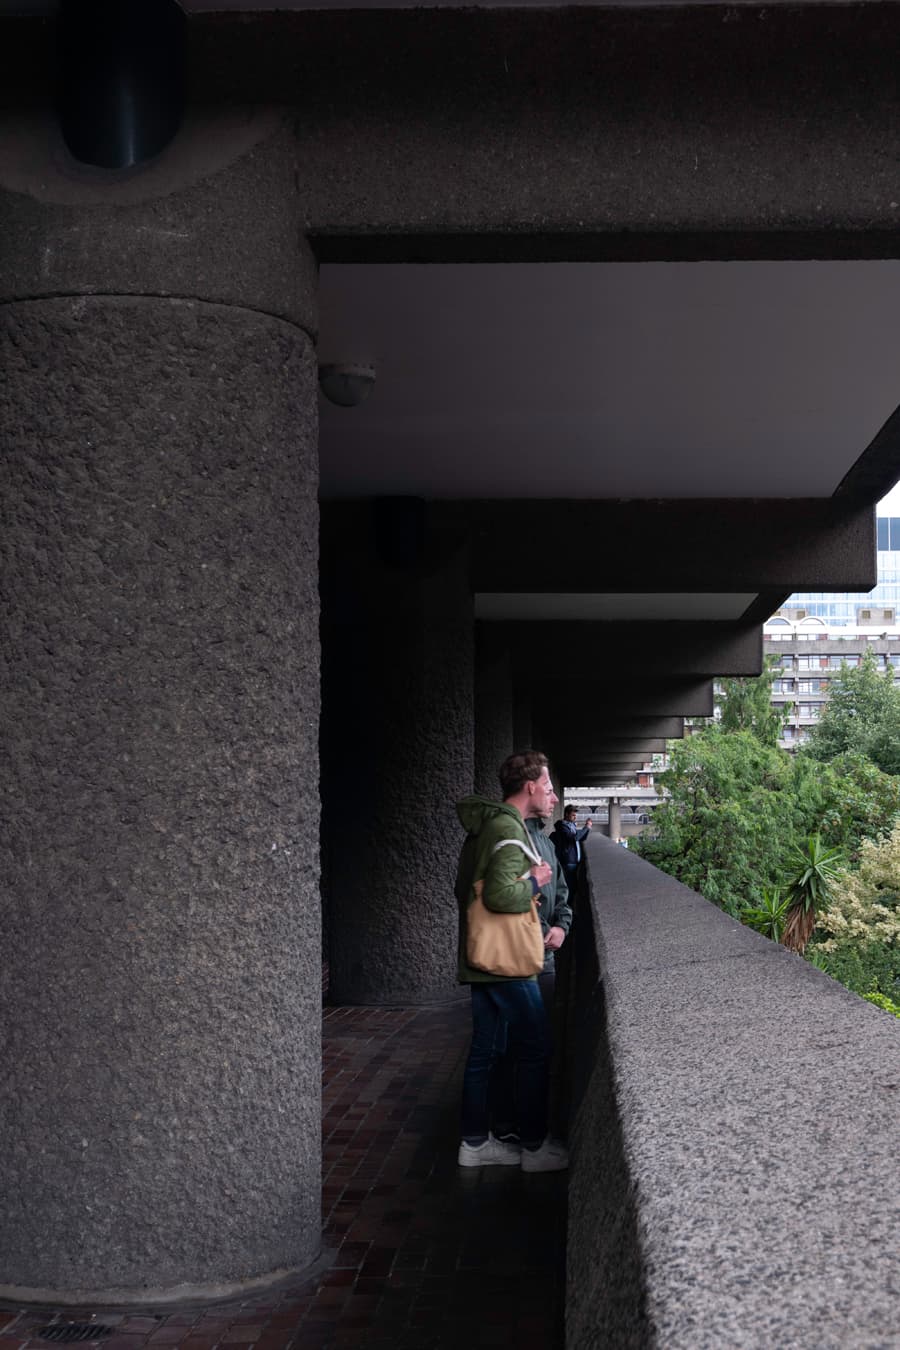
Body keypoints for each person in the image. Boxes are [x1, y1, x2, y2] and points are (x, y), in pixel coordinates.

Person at [454, 750, 569, 1172]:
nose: (553, 797)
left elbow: (464, 888)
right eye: (549, 787)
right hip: (507, 959)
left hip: (482, 954)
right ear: (530, 788)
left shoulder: (485, 826)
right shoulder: (507, 827)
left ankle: (475, 1143)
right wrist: (536, 881)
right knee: (536, 1049)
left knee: (485, 1050)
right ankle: (535, 1148)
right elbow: (500, 895)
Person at [551, 805, 592, 903]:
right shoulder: (562, 827)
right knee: (569, 888)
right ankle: (567, 910)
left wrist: (587, 828)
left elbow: (581, 838)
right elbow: (574, 838)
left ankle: (570, 909)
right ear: (566, 814)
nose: (575, 817)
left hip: (574, 861)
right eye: (573, 815)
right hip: (568, 862)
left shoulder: (571, 826)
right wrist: (586, 828)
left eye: (575, 815)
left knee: (573, 888)